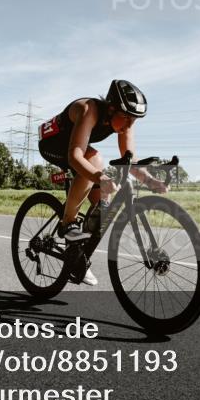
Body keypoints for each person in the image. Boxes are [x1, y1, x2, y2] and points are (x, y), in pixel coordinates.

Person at [37, 80, 166, 285]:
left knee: (102, 207)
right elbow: (75, 156)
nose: (128, 126)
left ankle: (78, 258)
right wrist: (100, 177)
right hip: (53, 143)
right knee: (95, 159)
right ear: (112, 108)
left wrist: (150, 181)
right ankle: (67, 224)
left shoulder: (124, 121)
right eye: (126, 118)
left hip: (77, 147)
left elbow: (129, 162)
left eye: (134, 120)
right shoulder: (88, 109)